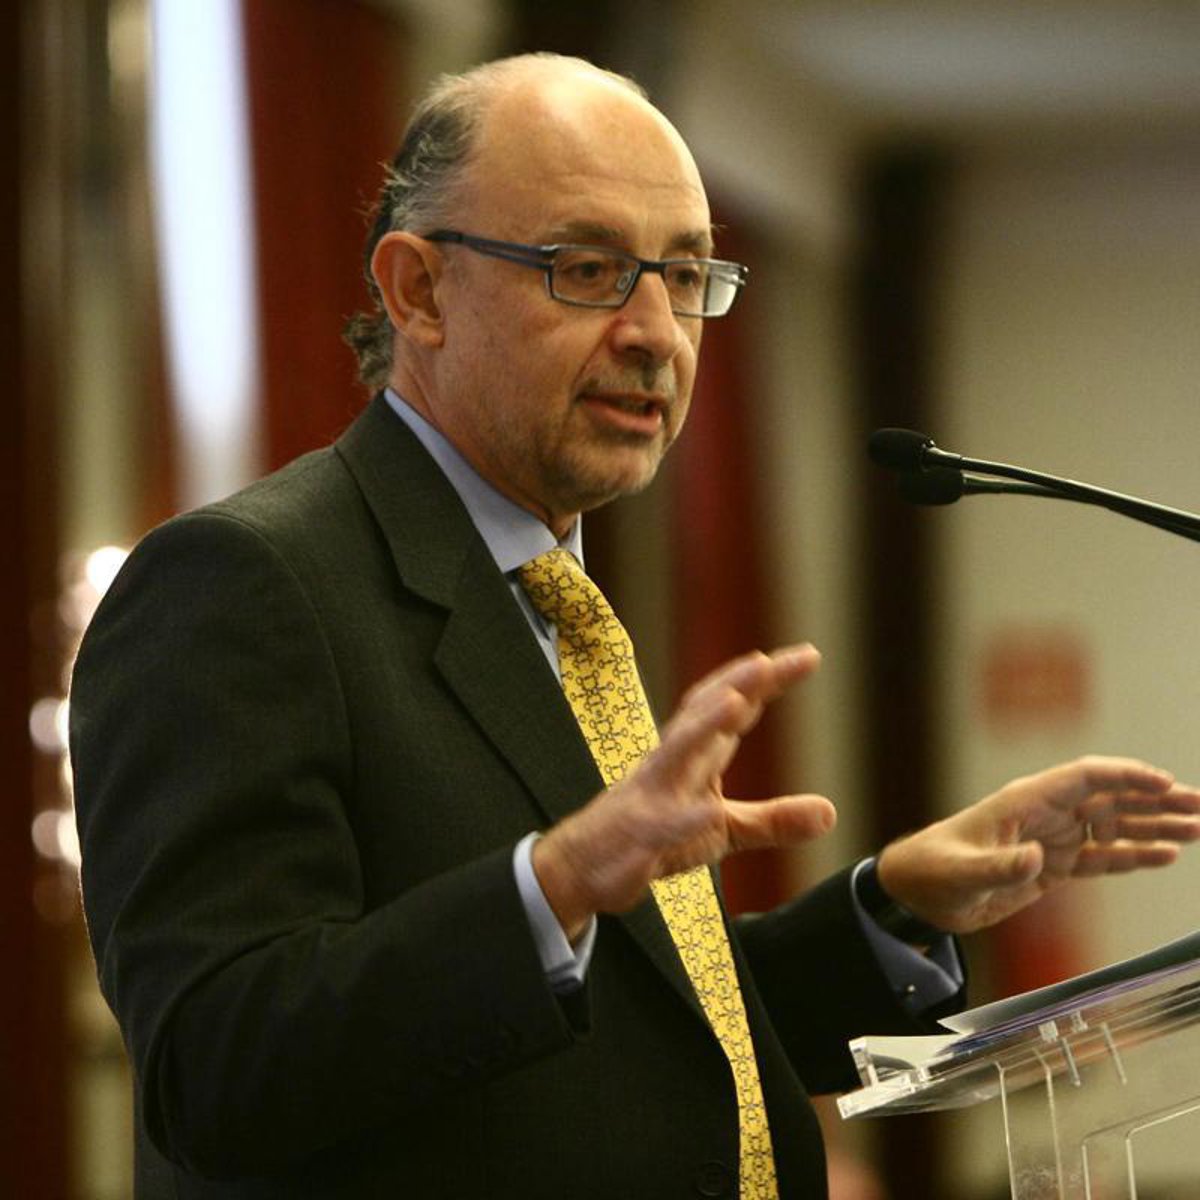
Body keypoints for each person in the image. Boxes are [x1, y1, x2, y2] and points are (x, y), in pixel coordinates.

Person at [70, 53, 1200, 1200]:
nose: (658, 332)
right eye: (589, 269)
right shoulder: (242, 585)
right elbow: (213, 1068)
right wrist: (558, 880)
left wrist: (893, 905)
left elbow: (621, 1038)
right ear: (419, 292)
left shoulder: (547, 591)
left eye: (687, 273)